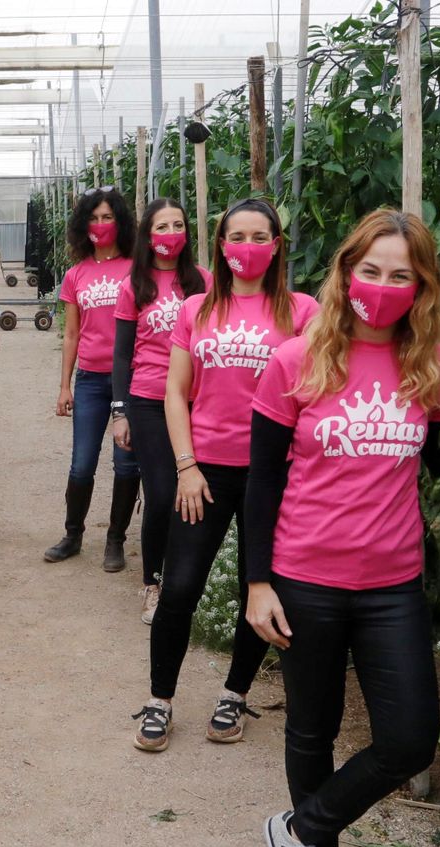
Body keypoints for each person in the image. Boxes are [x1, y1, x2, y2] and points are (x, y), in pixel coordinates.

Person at [243, 208, 440, 847]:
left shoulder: (429, 365)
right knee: (313, 727)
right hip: (305, 574)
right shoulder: (295, 359)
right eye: (370, 270)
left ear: (421, 286)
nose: (382, 286)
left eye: (401, 275)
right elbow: (262, 481)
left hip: (392, 583)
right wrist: (257, 582)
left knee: (409, 739)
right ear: (345, 273)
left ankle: (298, 831)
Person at [131, 198, 319, 752]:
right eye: (237, 236)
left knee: (255, 589)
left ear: (277, 246)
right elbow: (174, 391)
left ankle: (234, 693)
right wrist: (186, 465)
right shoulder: (197, 308)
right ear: (220, 244)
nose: (248, 247)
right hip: (206, 470)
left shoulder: (302, 311)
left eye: (260, 237)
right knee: (179, 588)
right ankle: (160, 700)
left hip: (273, 473)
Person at [111, 197, 210, 623]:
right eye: (162, 227)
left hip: (196, 399)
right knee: (162, 493)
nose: (171, 234)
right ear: (148, 236)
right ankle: (153, 582)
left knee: (195, 491)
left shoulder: (204, 282)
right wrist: (120, 411)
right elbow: (121, 354)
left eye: (178, 225)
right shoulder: (135, 285)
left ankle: (183, 579)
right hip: (149, 399)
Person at [45, 185, 140, 569]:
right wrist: (64, 386)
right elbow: (71, 333)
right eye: (94, 218)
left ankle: (115, 540)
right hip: (89, 380)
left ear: (121, 222)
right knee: (82, 462)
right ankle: (73, 535)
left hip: (129, 381)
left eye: (108, 217)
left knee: (126, 463)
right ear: (83, 226)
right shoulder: (76, 274)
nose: (101, 224)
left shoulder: (136, 268)